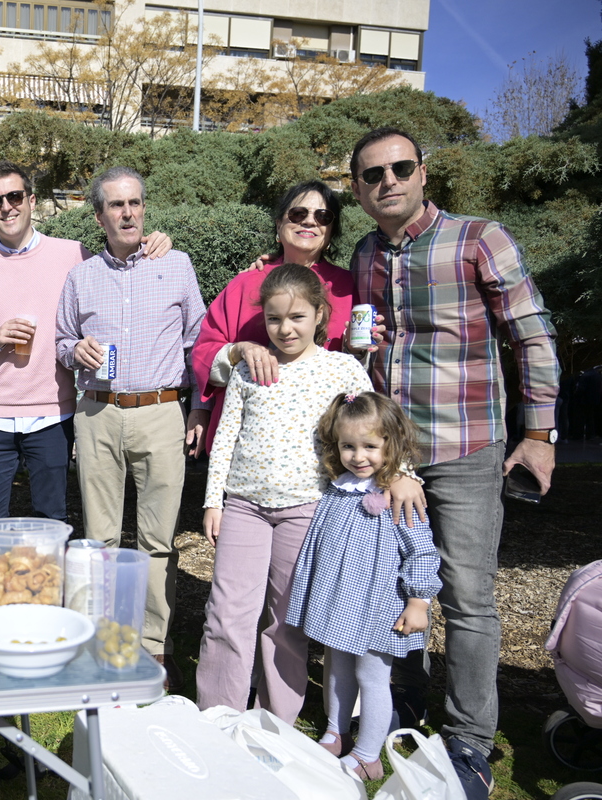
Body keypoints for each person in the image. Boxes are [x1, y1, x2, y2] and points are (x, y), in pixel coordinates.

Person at [347, 126, 560, 799]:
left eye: (400, 168)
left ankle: (469, 739)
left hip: (468, 449)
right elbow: (371, 344)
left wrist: (541, 432)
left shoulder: (478, 239)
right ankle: (402, 705)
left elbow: (531, 333)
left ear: (423, 173)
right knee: (391, 588)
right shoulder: (365, 254)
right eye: (373, 174)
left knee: (467, 599)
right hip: (390, 458)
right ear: (358, 189)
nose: (388, 181)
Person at [0, 161, 170, 534]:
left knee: (52, 522)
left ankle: (47, 595)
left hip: (53, 416)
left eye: (14, 196)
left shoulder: (73, 254)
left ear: (31, 201)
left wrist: (154, 242)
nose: (7, 207)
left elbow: (118, 272)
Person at [195, 264, 373, 725]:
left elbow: (376, 428)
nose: (284, 328)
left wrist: (402, 475)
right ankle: (218, 718)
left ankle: (274, 723)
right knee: (227, 613)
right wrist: (214, 501)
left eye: (297, 317)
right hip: (244, 508)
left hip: (308, 509)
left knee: (287, 620)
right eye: (274, 319)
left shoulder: (341, 369)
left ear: (320, 314)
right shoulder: (251, 370)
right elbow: (226, 437)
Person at [54, 167, 206, 691]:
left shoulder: (177, 265)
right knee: (98, 539)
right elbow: (59, 340)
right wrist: (75, 350)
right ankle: (107, 642)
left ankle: (153, 649)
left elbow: (198, 344)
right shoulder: (81, 276)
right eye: (116, 205)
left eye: (135, 203)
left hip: (161, 412)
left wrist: (200, 409)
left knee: (157, 540)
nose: (128, 213)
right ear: (99, 215)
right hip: (96, 412)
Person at [286, 391, 441, 781]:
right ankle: (336, 731)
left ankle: (369, 753)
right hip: (339, 603)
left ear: (391, 445)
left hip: (377, 606)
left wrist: (419, 601)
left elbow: (421, 551)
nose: (358, 456)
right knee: (337, 669)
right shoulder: (338, 489)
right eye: (348, 446)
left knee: (372, 677)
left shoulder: (397, 497)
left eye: (370, 446)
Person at [192, 180, 354, 454]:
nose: (310, 222)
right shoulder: (244, 285)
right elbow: (203, 351)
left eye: (322, 216)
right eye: (298, 214)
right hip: (253, 443)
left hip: (327, 441)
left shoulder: (348, 288)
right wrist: (237, 351)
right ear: (279, 224)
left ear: (330, 232)